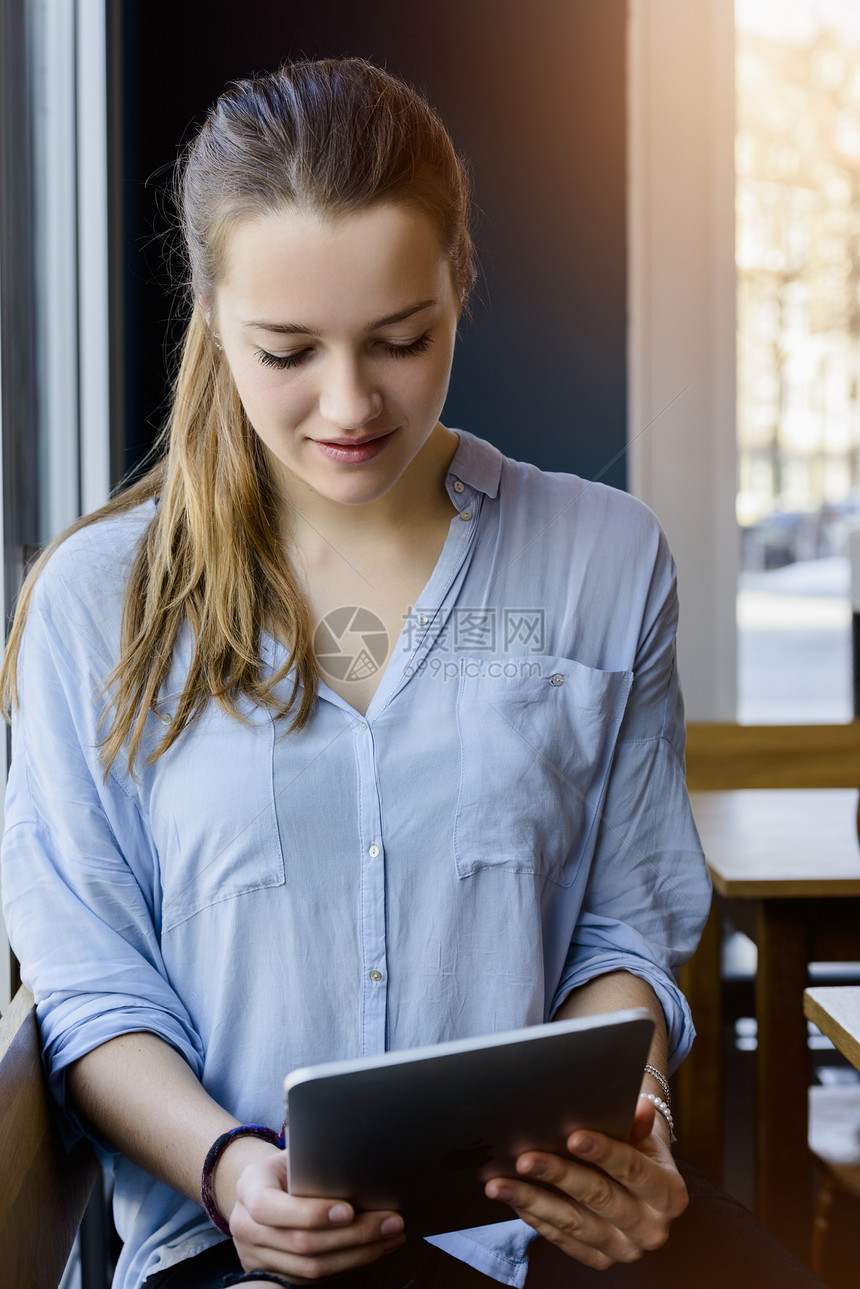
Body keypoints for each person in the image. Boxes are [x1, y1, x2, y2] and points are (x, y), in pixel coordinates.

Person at [0, 58, 827, 1289]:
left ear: (460, 284)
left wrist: (628, 1110)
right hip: (241, 1250)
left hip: (549, 1231)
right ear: (211, 318)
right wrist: (228, 1166)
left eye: (401, 339)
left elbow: (626, 924)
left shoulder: (603, 556)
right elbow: (88, 980)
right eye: (284, 352)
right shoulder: (95, 602)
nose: (349, 403)